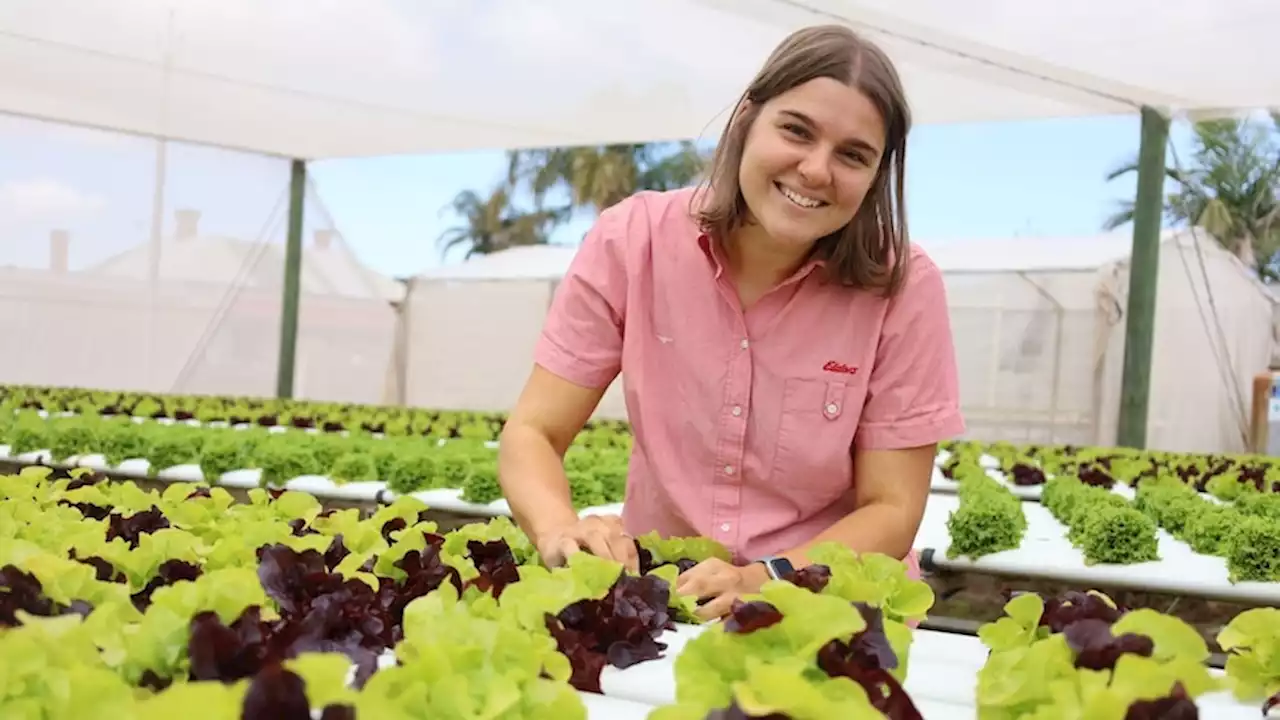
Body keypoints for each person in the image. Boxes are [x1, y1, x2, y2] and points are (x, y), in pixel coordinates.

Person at [497, 24, 964, 621]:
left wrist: (771, 578)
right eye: (796, 130)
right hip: (669, 594)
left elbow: (893, 506)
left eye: (853, 155)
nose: (817, 170)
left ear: (877, 174)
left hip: (830, 604)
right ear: (747, 119)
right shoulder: (631, 242)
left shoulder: (903, 287)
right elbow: (532, 433)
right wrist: (559, 530)